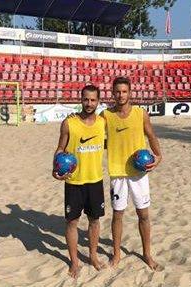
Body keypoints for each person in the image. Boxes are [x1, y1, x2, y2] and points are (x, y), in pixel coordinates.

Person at [101, 77, 162, 271]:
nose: (121, 95)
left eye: (124, 91)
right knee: (117, 215)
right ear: (113, 93)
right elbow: (93, 134)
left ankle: (146, 254)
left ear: (130, 92)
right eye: (117, 92)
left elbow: (151, 135)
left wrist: (158, 156)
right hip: (117, 173)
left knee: (143, 215)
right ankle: (117, 254)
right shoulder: (105, 116)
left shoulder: (140, 114)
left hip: (138, 173)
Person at [52, 84, 106, 279]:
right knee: (72, 222)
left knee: (94, 220)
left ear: (98, 101)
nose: (89, 103)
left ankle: (92, 255)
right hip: (74, 182)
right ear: (81, 99)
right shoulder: (69, 123)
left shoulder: (103, 123)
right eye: (86, 99)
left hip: (95, 180)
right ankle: (74, 261)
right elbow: (60, 148)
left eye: (93, 100)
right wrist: (55, 169)